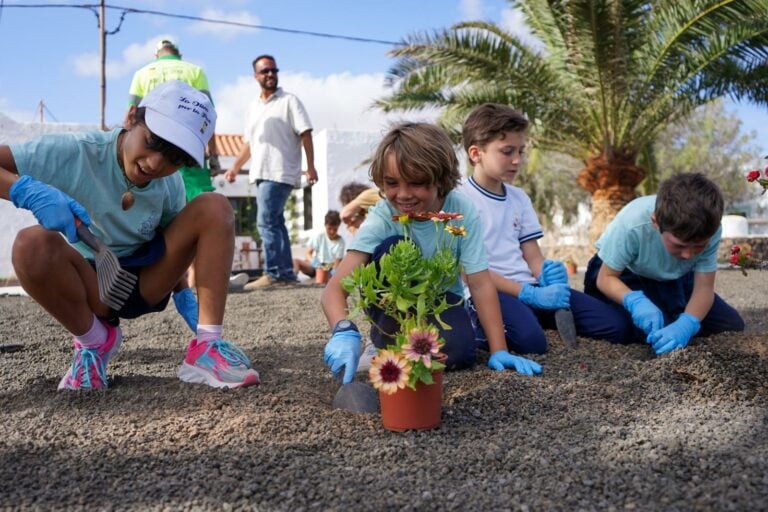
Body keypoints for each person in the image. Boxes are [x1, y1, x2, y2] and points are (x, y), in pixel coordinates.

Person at [0, 80, 260, 390]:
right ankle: (95, 341)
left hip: (145, 282)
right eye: (152, 142)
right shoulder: (76, 152)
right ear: (131, 117)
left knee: (215, 206)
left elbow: (175, 239)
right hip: (91, 285)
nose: (155, 164)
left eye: (174, 159)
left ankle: (206, 347)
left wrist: (183, 293)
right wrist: (23, 190)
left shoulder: (169, 183)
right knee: (31, 244)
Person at [321, 122, 541, 385]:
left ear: (441, 179)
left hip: (441, 302)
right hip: (393, 305)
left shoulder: (460, 213)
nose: (403, 195)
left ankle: (402, 350)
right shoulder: (384, 216)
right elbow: (335, 288)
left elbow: (480, 283)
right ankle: (384, 342)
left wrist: (499, 349)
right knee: (392, 248)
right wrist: (343, 330)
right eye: (391, 183)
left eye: (417, 183)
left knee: (460, 354)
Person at [460, 104, 631, 356]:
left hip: (531, 288)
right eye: (507, 151)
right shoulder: (459, 199)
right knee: (532, 343)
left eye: (520, 151)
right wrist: (527, 295)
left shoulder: (519, 199)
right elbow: (468, 271)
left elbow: (533, 257)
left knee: (615, 327)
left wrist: (547, 276)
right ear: (476, 153)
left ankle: (527, 316)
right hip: (489, 291)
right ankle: (486, 324)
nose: (517, 160)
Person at [128, 38, 246, 323]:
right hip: (185, 151)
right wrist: (213, 156)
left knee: (166, 214)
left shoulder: (142, 74)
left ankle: (185, 281)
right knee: (204, 211)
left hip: (148, 145)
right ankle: (202, 279)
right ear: (179, 53)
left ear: (157, 54)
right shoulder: (194, 71)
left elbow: (131, 115)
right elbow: (207, 121)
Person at [584, 172, 745, 355]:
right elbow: (605, 278)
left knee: (730, 325)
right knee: (651, 328)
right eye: (679, 245)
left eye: (698, 246)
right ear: (656, 223)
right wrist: (635, 302)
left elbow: (703, 289)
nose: (688, 255)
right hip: (624, 274)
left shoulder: (710, 229)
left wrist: (687, 324)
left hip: (675, 275)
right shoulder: (633, 224)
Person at [223, 54, 318, 289]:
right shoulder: (253, 107)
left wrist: (311, 166)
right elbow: (249, 144)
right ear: (256, 76)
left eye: (274, 70)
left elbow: (305, 133)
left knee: (265, 221)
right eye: (265, 71)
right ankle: (285, 273)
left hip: (281, 170)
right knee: (275, 221)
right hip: (260, 171)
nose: (270, 75)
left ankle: (275, 273)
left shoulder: (289, 101)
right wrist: (235, 167)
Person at [293, 210, 345, 279]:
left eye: (335, 229)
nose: (332, 232)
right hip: (315, 267)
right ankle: (293, 278)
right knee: (296, 261)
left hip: (329, 270)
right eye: (329, 228)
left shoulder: (340, 242)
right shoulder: (319, 237)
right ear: (325, 225)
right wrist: (315, 262)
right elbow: (308, 254)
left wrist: (331, 272)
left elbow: (337, 263)